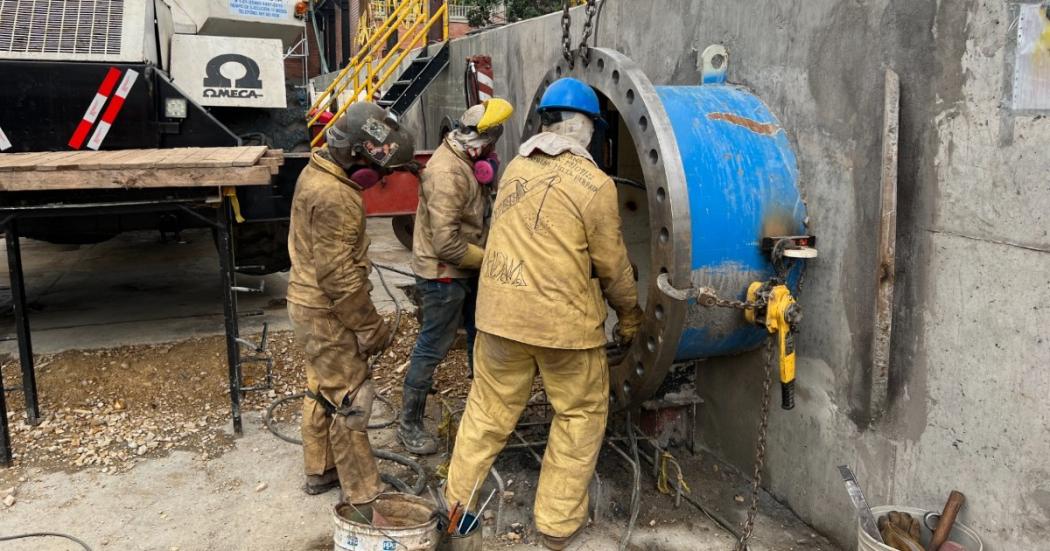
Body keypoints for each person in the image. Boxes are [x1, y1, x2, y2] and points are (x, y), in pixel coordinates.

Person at [444, 78, 644, 549]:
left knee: (488, 411)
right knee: (578, 414)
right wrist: (630, 315)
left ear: (545, 122)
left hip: (499, 315)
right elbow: (613, 266)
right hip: (563, 327)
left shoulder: (513, 169)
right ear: (588, 129)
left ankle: (458, 511)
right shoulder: (595, 185)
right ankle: (556, 526)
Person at [286, 102, 415, 502]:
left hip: (307, 303)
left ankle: (320, 469)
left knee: (321, 386)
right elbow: (339, 277)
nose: (378, 178)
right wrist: (369, 326)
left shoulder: (316, 170)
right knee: (351, 397)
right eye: (379, 169)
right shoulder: (336, 196)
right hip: (327, 311)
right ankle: (363, 493)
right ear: (359, 157)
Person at [399, 98, 513, 455]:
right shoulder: (446, 173)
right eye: (492, 145)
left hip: (469, 264)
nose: (493, 152)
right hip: (443, 273)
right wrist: (494, 261)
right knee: (434, 343)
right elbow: (446, 243)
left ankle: (482, 412)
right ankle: (409, 423)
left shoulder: (466, 161)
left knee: (479, 337)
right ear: (478, 141)